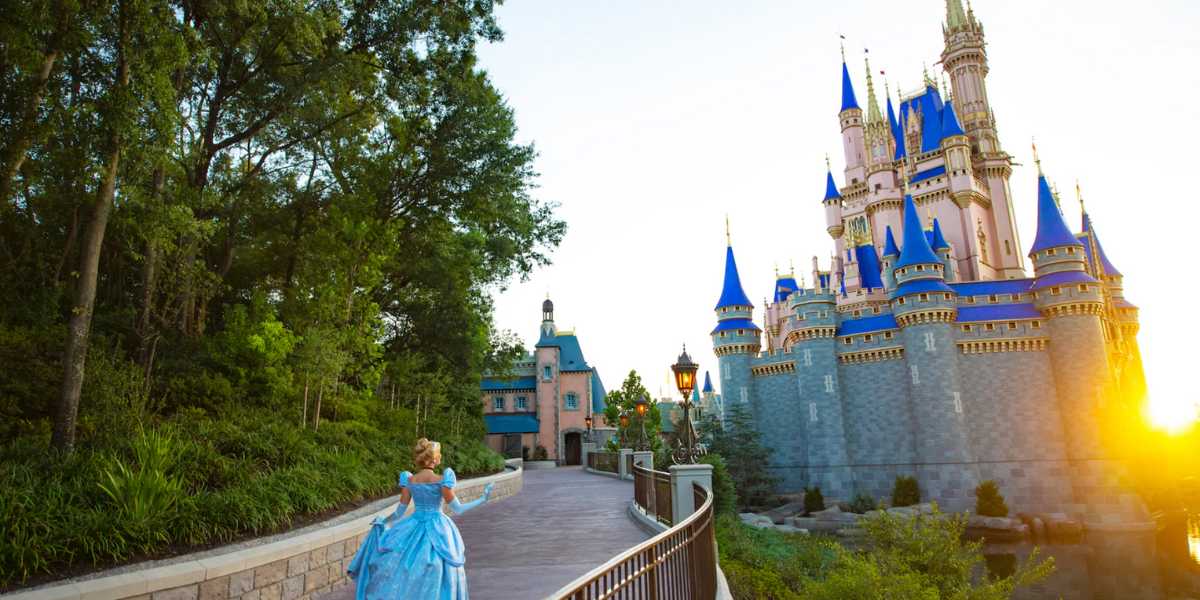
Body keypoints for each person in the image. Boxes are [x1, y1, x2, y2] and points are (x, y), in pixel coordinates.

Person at [347, 438, 494, 600]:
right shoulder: (441, 480)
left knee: (404, 567)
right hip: (439, 529)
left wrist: (384, 520)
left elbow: (399, 512)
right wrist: (482, 499)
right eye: (439, 455)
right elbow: (457, 509)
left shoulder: (410, 480)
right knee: (439, 567)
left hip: (413, 525)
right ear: (435, 459)